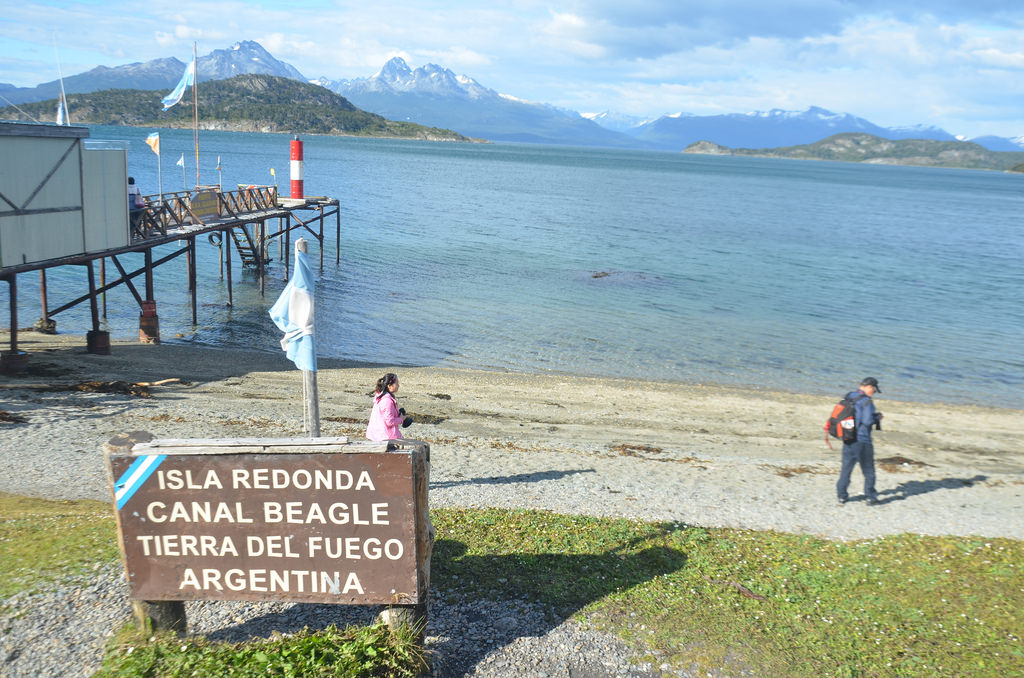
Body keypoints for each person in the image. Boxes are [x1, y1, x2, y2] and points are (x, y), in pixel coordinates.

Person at [836, 377, 884, 505]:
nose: (873, 393)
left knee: (846, 469)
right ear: (869, 387)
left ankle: (842, 495)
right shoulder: (866, 402)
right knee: (869, 470)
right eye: (874, 390)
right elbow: (867, 421)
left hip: (848, 437)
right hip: (862, 440)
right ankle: (870, 497)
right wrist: (876, 418)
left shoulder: (849, 397)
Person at [366, 372, 412, 441]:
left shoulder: (380, 397)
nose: (398, 385)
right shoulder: (387, 401)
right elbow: (389, 422)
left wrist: (397, 413)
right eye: (397, 383)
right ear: (389, 386)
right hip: (385, 436)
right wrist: (401, 419)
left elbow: (386, 415)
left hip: (376, 434)